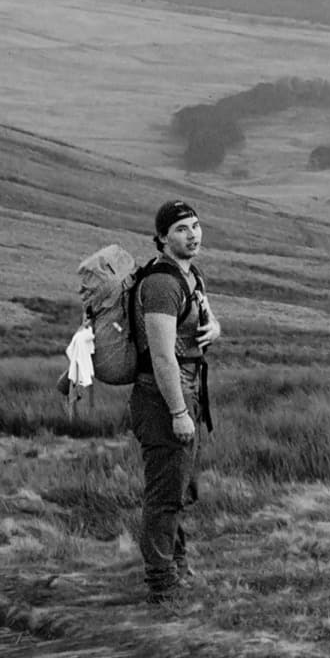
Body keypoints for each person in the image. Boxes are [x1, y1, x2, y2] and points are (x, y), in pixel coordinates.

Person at [130, 199, 221, 603]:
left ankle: (176, 568)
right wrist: (179, 412)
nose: (193, 234)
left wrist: (214, 329)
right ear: (163, 237)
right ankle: (161, 585)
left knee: (180, 488)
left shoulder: (190, 274)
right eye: (182, 229)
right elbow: (163, 356)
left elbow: (208, 319)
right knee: (165, 493)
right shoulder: (162, 285)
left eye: (196, 226)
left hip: (188, 389)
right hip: (163, 396)